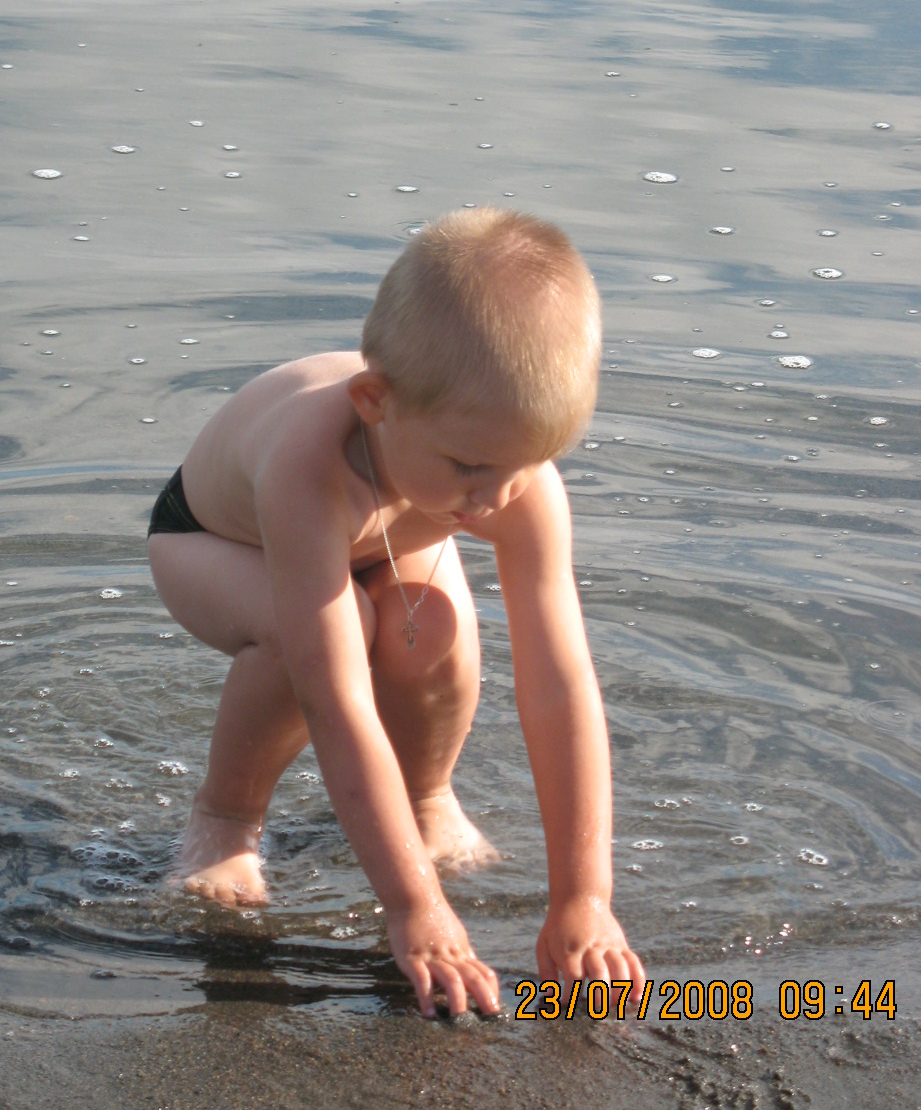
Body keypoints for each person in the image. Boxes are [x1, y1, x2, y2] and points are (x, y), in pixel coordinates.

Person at [148, 207, 645, 1018]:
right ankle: (226, 820)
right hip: (215, 542)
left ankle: (426, 798)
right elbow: (336, 699)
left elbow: (560, 684)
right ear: (375, 402)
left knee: (432, 628)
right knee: (319, 632)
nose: (496, 499)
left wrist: (583, 897)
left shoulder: (503, 473)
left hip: (384, 533)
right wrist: (413, 905)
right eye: (471, 466)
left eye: (528, 464)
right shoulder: (309, 464)